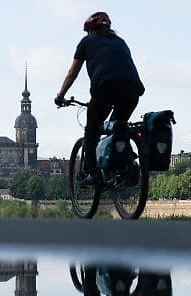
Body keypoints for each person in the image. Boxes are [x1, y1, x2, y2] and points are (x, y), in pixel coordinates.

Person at [55, 12, 145, 186]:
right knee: (117, 126)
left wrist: (60, 96)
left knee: (92, 131)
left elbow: (72, 73)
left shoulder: (86, 42)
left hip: (105, 90)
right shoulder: (120, 42)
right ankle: (128, 165)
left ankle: (94, 175)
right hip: (132, 90)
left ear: (90, 30)